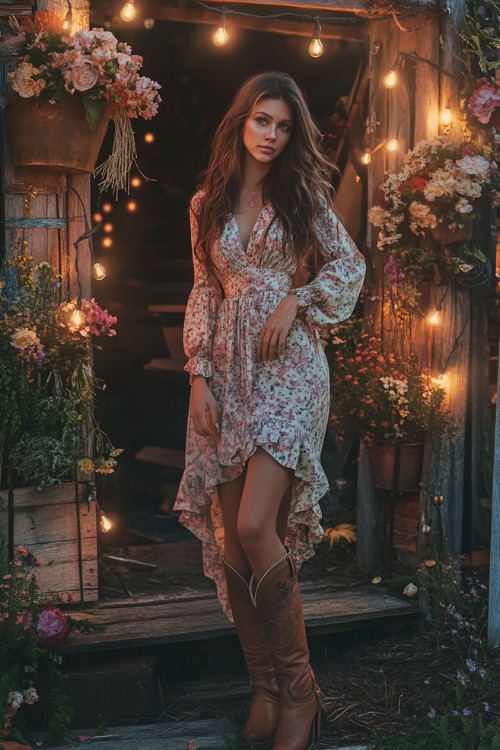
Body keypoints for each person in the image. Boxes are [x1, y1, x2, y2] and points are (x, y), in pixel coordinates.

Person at [174, 71, 365, 750]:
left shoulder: (304, 194)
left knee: (257, 527)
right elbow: (202, 290)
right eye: (262, 121)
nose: (272, 135)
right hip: (225, 374)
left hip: (291, 370)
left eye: (284, 125)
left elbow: (349, 266)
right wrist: (198, 376)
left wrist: (298, 298)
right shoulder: (207, 203)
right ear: (242, 122)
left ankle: (301, 693)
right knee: (231, 544)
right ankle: (264, 689)